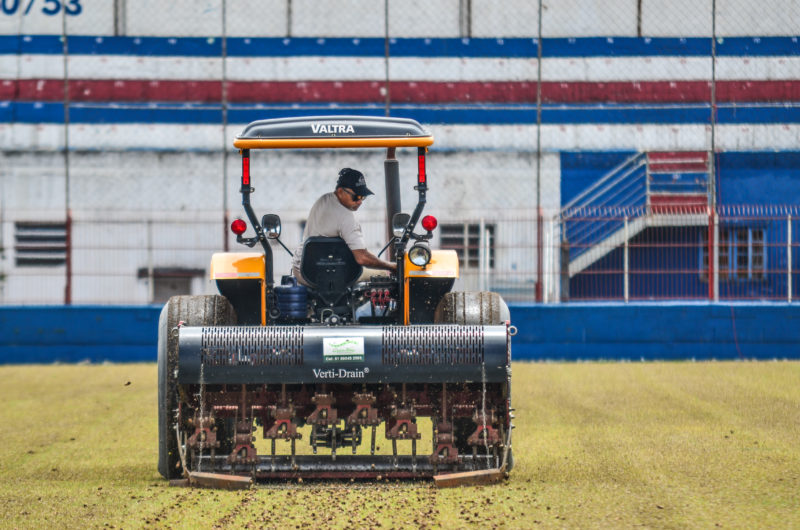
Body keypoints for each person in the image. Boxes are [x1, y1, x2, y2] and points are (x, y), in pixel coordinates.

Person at [291, 168, 397, 286]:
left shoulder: (323, 200)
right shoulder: (347, 217)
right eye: (356, 196)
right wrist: (391, 266)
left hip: (302, 271)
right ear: (341, 191)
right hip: (324, 274)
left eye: (363, 197)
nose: (360, 201)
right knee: (383, 273)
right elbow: (362, 258)